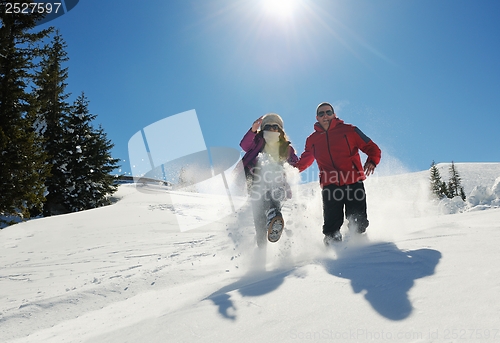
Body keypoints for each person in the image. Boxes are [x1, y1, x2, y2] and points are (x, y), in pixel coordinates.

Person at [296, 102, 381, 245]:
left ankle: (359, 249)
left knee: (358, 222)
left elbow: (372, 147)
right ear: (317, 117)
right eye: (322, 113)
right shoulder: (312, 140)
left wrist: (372, 160)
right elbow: (304, 161)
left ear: (334, 114)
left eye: (328, 112)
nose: (325, 116)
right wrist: (289, 172)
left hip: (353, 181)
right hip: (330, 185)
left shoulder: (350, 130)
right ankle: (333, 251)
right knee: (331, 227)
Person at [240, 113, 299, 248]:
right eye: (268, 126)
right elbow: (244, 145)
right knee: (259, 218)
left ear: (280, 130)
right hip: (255, 181)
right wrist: (253, 130)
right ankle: (262, 251)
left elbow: (295, 163)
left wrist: (294, 164)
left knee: (272, 197)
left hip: (276, 181)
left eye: (275, 126)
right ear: (263, 128)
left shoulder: (285, 147)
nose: (272, 129)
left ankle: (275, 216)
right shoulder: (257, 141)